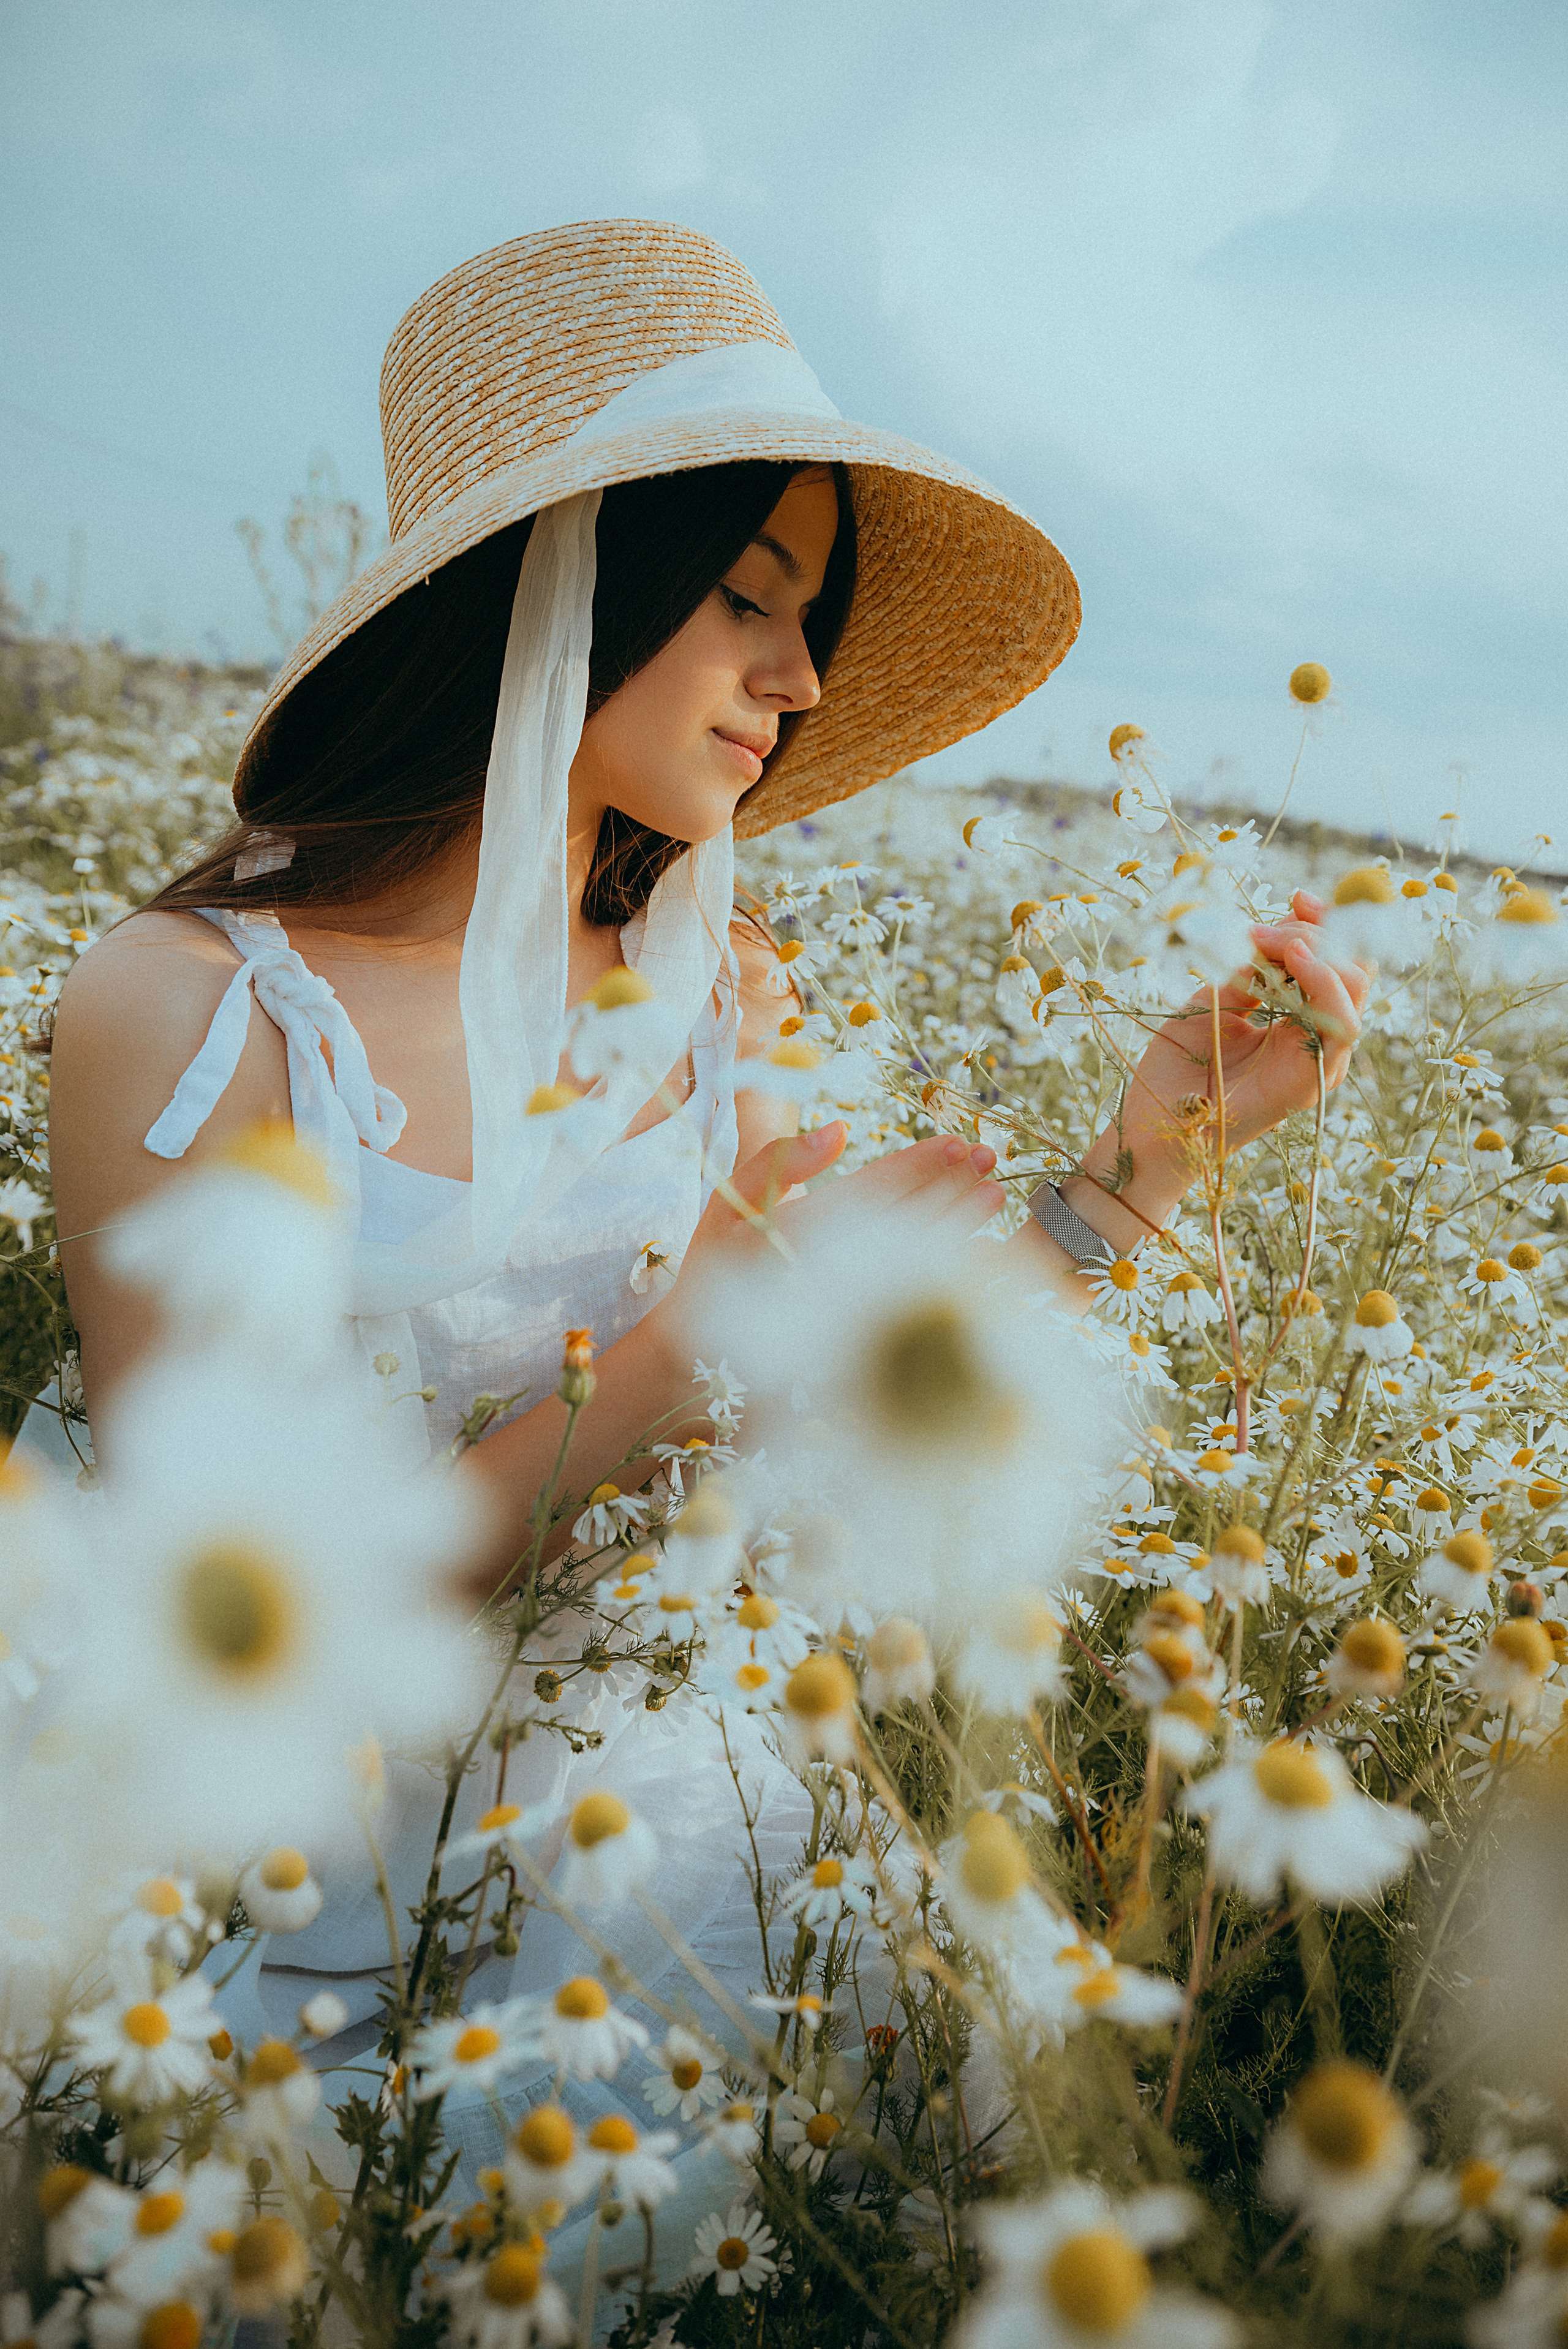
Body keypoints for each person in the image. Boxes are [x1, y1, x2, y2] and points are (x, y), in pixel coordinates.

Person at [42, 222, 1368, 2231]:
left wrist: (1150, 1158)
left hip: (617, 1743)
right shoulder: (191, 1001)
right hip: (282, 1822)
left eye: (812, 613)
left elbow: (867, 1357)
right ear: (560, 589)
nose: (803, 680)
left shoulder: (712, 979)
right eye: (749, 595)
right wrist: (681, 1349)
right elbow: (214, 1618)